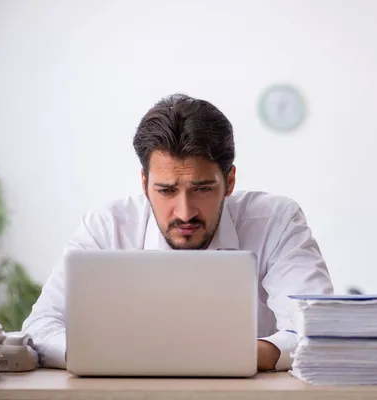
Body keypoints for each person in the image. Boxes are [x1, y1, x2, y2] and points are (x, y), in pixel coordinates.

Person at [21, 93, 334, 372]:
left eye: (202, 189)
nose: (185, 212)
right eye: (167, 190)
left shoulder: (275, 221)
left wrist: (255, 354)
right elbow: (41, 325)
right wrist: (98, 357)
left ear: (230, 182)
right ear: (144, 184)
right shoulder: (107, 227)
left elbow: (317, 327)